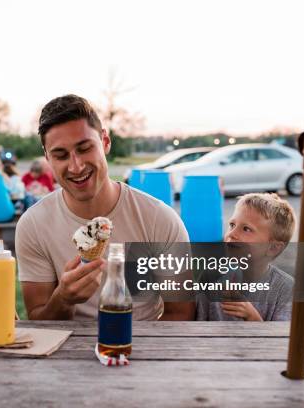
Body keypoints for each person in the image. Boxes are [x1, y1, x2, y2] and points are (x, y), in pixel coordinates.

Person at [16, 94, 193, 321]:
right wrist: (63, 299)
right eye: (60, 155)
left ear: (105, 142)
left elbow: (181, 314)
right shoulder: (33, 225)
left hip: (145, 350)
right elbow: (37, 319)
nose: (76, 166)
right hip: (67, 352)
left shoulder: (159, 218)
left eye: (84, 148)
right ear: (47, 158)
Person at [196, 193, 296, 321]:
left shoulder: (285, 288)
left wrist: (252, 317)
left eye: (246, 229)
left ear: (273, 248)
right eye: (232, 225)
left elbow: (281, 340)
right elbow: (198, 326)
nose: (232, 234)